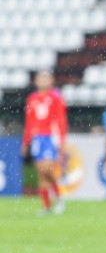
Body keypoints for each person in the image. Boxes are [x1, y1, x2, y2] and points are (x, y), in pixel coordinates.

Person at [22, 70, 68, 215]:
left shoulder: (56, 97)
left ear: (51, 81)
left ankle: (59, 197)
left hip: (50, 137)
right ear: (35, 81)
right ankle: (47, 206)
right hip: (37, 138)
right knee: (41, 173)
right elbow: (29, 122)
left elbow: (61, 120)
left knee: (46, 169)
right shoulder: (32, 98)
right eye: (40, 78)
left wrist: (61, 140)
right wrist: (26, 141)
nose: (42, 80)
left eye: (45, 78)